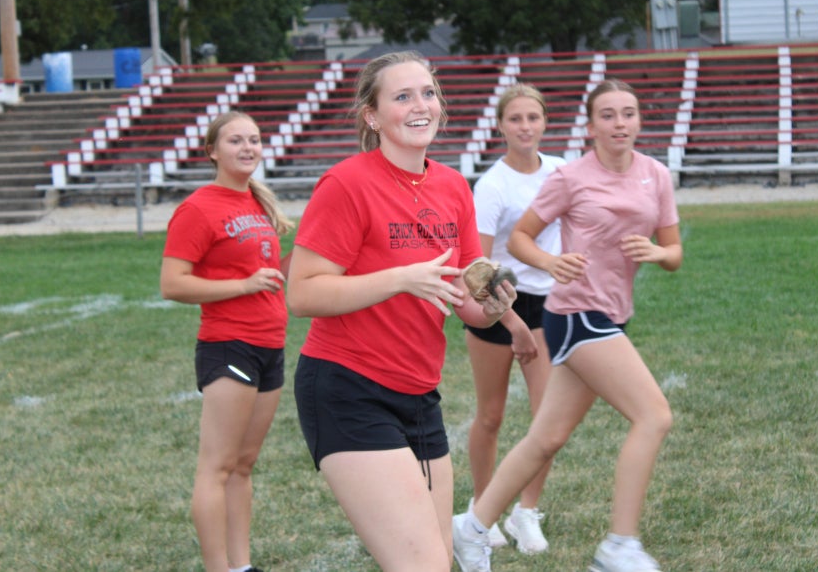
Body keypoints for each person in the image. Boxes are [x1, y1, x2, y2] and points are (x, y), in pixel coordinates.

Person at [286, 51, 537, 572]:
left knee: (437, 560)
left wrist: (496, 306)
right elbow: (302, 294)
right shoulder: (347, 183)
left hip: (420, 393)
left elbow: (468, 303)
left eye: (428, 93)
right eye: (402, 96)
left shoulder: (452, 186)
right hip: (348, 388)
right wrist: (400, 278)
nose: (421, 105)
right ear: (372, 116)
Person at [452, 79, 683, 572]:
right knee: (653, 415)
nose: (620, 123)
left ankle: (471, 527)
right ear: (590, 125)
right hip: (575, 314)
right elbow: (519, 239)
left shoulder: (656, 175)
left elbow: (674, 253)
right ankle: (620, 546)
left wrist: (658, 252)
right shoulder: (569, 177)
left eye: (628, 113)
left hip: (611, 314)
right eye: (608, 115)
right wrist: (551, 263)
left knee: (547, 436)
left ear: (639, 120)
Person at [160, 110, 294, 572]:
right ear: (212, 151)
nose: (247, 148)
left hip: (270, 345)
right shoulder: (198, 208)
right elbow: (172, 283)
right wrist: (242, 286)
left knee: (243, 464)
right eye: (235, 140)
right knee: (217, 467)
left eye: (254, 139)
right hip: (229, 345)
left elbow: (270, 276)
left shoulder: (257, 201)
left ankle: (241, 566)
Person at [463, 83, 565, 555]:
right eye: (516, 119)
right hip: (498, 307)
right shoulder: (492, 185)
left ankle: (526, 512)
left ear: (545, 122)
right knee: (491, 415)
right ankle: (482, 509)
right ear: (501, 126)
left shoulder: (561, 171)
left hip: (548, 305)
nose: (526, 127)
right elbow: (478, 269)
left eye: (533, 117)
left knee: (547, 419)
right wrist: (511, 323)